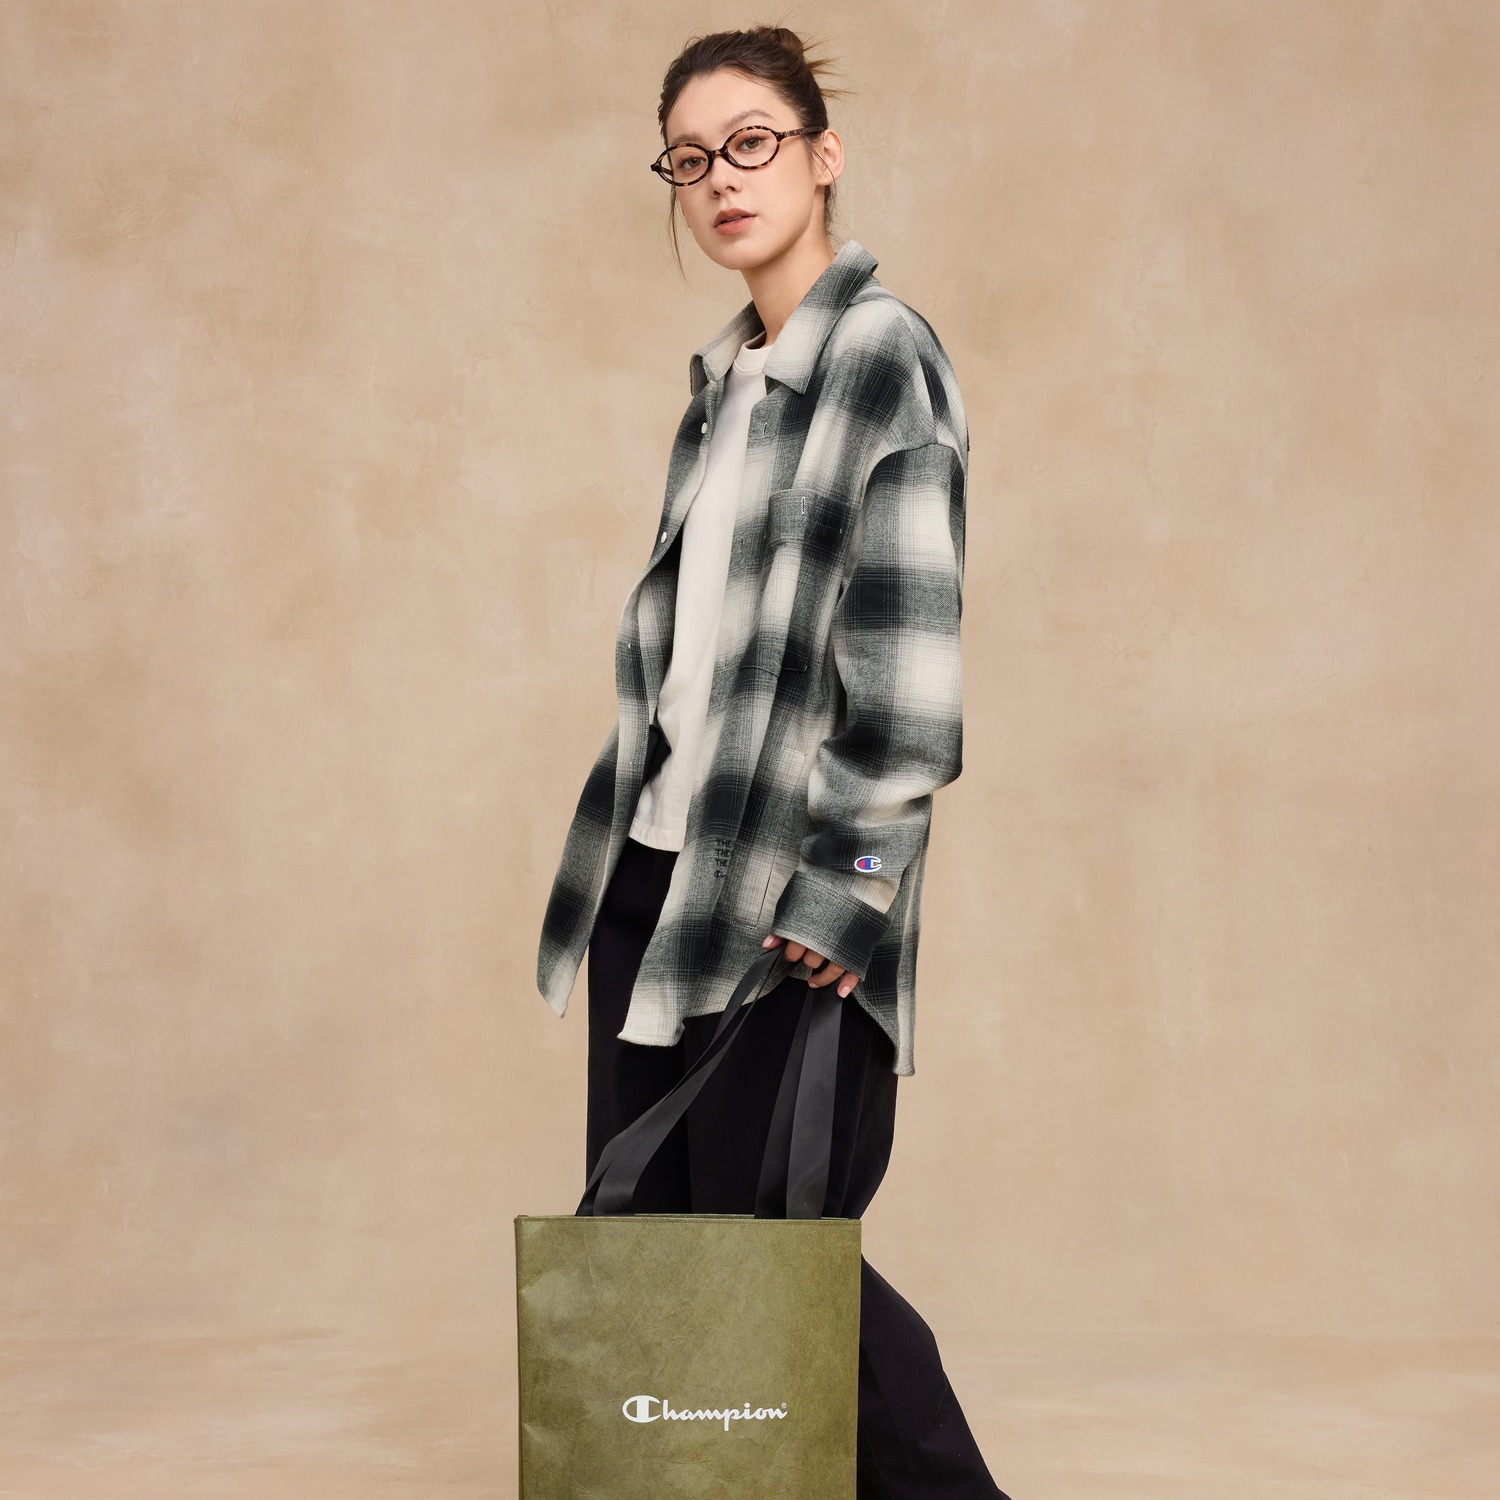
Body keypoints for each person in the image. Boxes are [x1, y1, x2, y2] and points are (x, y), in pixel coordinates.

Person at [535, 24, 1010, 1500]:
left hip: (788, 906)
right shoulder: (724, 383)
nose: (722, 180)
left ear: (822, 153)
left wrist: (848, 886)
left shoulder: (881, 361)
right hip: (652, 884)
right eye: (691, 161)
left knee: (780, 1271)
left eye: (752, 143)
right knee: (657, 1265)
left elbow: (910, 682)